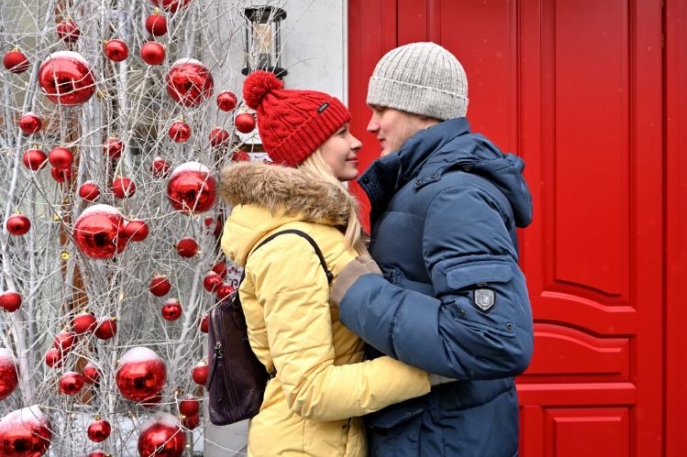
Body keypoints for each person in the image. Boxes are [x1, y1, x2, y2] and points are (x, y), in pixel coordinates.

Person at [330, 42, 535, 457]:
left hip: (442, 439)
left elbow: (494, 338)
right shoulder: (424, 186)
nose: (370, 126)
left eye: (382, 109)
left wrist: (361, 293)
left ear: (423, 109)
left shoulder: (454, 195)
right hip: (431, 433)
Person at [218, 70, 433, 457]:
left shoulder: (323, 231)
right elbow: (309, 390)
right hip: (300, 446)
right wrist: (431, 370)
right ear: (310, 147)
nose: (356, 142)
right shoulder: (292, 247)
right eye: (340, 133)